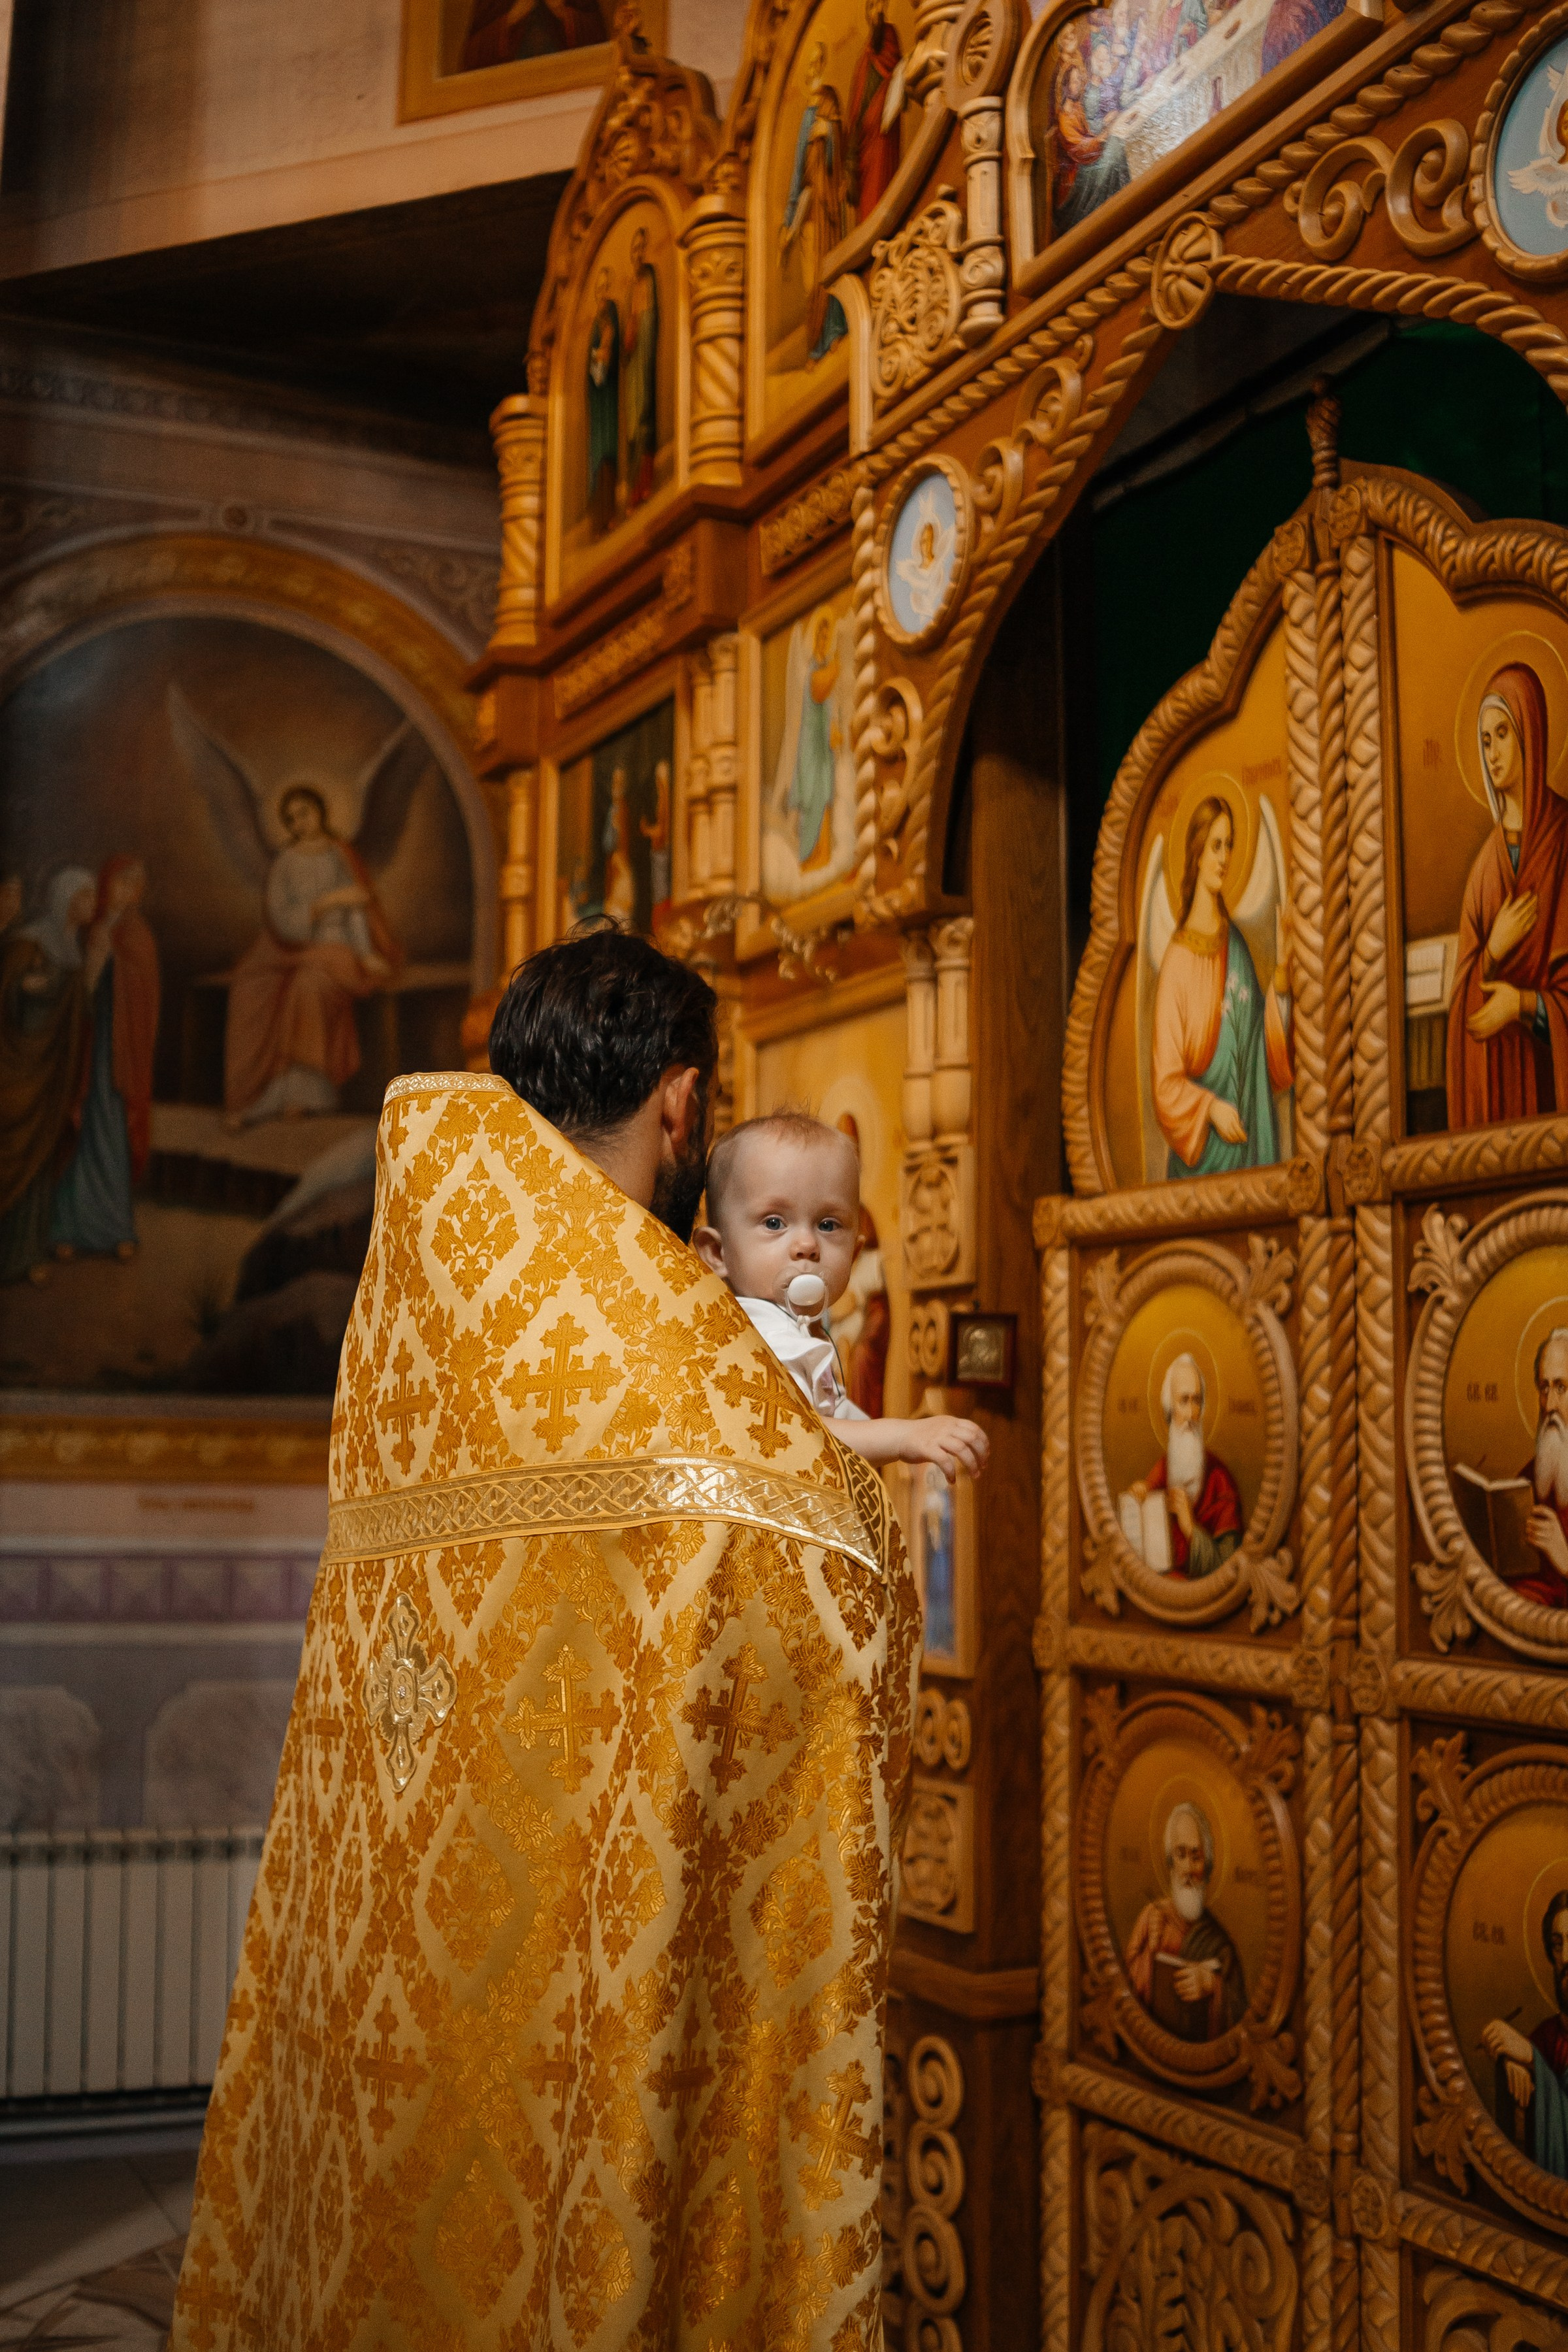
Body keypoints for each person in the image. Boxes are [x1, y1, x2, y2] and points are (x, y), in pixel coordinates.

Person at [172, 927, 919, 2352]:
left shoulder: (424, 1315)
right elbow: (819, 1589)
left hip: (404, 1948)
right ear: (683, 1105)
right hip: (592, 1967)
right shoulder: (668, 1350)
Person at [694, 1110, 988, 1483]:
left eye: (828, 1225)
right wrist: (903, 1436)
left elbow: (837, 1418)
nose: (806, 1244)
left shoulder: (799, 1332)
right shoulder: (759, 1336)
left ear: (854, 1253)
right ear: (718, 1254)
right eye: (774, 1222)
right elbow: (803, 1435)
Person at [223, 781, 398, 1127]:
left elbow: (356, 912)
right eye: (292, 819)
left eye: (305, 812)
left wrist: (365, 954)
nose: (300, 822)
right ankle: (265, 1089)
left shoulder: (340, 855)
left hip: (338, 949)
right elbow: (281, 918)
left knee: (308, 987)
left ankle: (304, 1092)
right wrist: (326, 903)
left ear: (320, 811)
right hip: (294, 949)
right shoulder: (286, 862)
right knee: (251, 988)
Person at [1446, 662, 1568, 1132]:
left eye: (1502, 734)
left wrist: (1522, 1005)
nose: (1493, 752)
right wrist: (1492, 950)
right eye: (1485, 741)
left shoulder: (1562, 842)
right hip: (1504, 1101)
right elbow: (1463, 1013)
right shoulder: (1484, 871)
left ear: (1531, 734)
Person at [1151, 795, 1294, 1177]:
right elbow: (1165, 1085)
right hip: (1202, 1159)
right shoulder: (1177, 964)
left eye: (1229, 845)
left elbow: (1258, 1046)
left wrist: (1280, 976)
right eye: (1216, 846)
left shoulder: (1236, 945)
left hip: (1248, 1143)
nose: (1225, 858)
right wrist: (1210, 1108)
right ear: (1197, 854)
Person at [48, 855, 161, 1264]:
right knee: (84, 1131)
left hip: (122, 1052)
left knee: (111, 1130)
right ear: (107, 884)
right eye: (121, 882)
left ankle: (115, 1229)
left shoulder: (138, 933)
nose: (128, 890)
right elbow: (82, 989)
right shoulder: (94, 929)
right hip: (92, 1045)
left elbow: (147, 998)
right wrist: (95, 964)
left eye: (136, 884)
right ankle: (68, 1227)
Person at [0, 866, 95, 1285]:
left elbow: (77, 1006)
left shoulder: (71, 946)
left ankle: (27, 1255)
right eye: (83, 898)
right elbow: (7, 993)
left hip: (51, 1070)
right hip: (20, 1067)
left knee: (39, 1162)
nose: (90, 907)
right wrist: (24, 989)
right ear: (65, 900)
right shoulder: (28, 942)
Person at [1124, 1801, 1247, 2042]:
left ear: (1208, 1867)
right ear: (1170, 1863)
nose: (1188, 1869)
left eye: (1196, 1857)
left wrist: (1213, 1985)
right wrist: (1150, 1953)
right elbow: (1121, 1989)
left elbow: (1242, 2014)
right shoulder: (1151, 1918)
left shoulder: (1220, 1944)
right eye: (1181, 1855)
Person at [1128, 1352, 1243, 1578]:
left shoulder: (1221, 1480)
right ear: (1170, 1411)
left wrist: (1191, 1528)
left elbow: (1232, 1568)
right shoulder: (1161, 1470)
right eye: (1183, 1401)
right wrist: (1139, 1496)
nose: (1191, 1414)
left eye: (1197, 1401)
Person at [1483, 1889, 1568, 2175]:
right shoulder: (1547, 2035)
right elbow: (1519, 2055)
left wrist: (1532, 2061)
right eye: (1558, 1945)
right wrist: (1512, 2063)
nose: (1566, 1957)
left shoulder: (1536, 2048)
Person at [781, 45, 849, 365]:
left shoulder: (829, 103)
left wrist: (831, 133)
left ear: (822, 65)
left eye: (814, 64)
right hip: (811, 203)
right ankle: (815, 343)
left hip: (829, 201)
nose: (811, 72)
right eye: (808, 66)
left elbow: (843, 153)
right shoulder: (807, 117)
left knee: (831, 265)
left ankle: (835, 330)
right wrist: (788, 219)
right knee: (812, 278)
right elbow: (797, 172)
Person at [830, 1110, 890, 1418]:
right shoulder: (820, 1215)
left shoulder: (864, 1220)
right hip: (830, 1325)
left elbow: (879, 1306)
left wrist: (861, 1332)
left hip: (859, 1327)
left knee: (858, 1358)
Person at [1512, 1328, 1568, 1607]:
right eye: (1544, 1388)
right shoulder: (1527, 1478)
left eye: (1562, 1387)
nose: (1550, 1406)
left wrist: (1566, 1561)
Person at [1050, 51, 1131, 234]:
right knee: (1114, 154)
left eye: (1079, 80)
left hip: (1090, 156)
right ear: (1065, 87)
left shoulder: (1077, 107)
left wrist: (1103, 124)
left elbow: (1088, 127)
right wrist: (1100, 139)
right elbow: (1078, 149)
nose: (1079, 85)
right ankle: (1115, 204)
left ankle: (1123, 198)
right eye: (1075, 82)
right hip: (1079, 171)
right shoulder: (1064, 119)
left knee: (1117, 145)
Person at [787, 609, 843, 872]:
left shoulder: (824, 665)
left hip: (823, 744)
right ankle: (809, 856)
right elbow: (819, 693)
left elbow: (828, 706)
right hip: (810, 744)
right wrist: (836, 668)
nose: (824, 640)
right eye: (820, 636)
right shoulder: (812, 668)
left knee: (826, 793)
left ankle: (824, 852)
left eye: (826, 636)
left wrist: (834, 729)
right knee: (813, 796)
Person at [845, 0, 904, 217]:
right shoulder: (864, 57)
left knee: (881, 186)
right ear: (868, 12)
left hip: (882, 129)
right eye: (873, 6)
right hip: (864, 137)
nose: (878, 10)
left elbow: (893, 67)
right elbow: (857, 104)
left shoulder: (889, 35)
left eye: (881, 5)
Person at [621, 226, 660, 511]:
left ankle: (645, 484)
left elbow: (649, 321)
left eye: (641, 248)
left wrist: (638, 328)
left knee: (644, 418)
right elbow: (628, 332)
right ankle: (634, 488)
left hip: (644, 362)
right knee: (632, 426)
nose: (638, 254)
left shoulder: (648, 279)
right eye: (635, 249)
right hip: (632, 364)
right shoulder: (631, 286)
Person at [586, 265, 621, 536]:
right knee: (600, 457)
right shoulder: (596, 329)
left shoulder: (611, 319)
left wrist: (606, 353)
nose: (602, 294)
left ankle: (609, 515)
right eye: (598, 290)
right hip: (600, 405)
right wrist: (600, 357)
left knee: (609, 454)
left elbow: (611, 359)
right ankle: (600, 519)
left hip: (611, 403)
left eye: (605, 288)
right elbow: (595, 374)